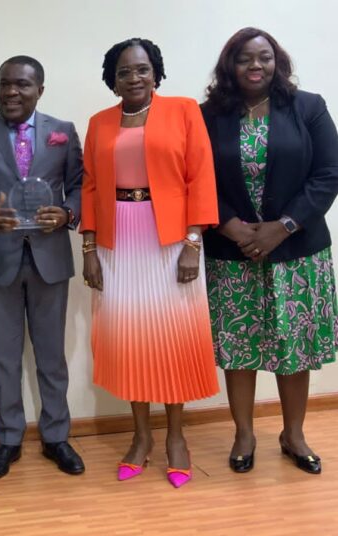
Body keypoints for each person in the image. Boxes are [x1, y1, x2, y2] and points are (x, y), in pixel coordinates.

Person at [81, 38, 219, 488]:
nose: (134, 78)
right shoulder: (99, 123)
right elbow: (90, 189)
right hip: (117, 242)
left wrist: (193, 243)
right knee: (128, 340)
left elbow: (200, 175)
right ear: (112, 79)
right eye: (124, 72)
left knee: (173, 340)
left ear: (156, 73)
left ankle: (176, 438)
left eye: (142, 69)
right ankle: (141, 438)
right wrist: (89, 250)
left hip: (171, 240)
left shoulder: (183, 111)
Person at [202, 27, 338, 475]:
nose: (255, 66)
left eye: (264, 57)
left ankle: (293, 434)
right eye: (244, 58)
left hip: (298, 252)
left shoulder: (308, 108)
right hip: (232, 250)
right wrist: (233, 227)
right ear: (230, 65)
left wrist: (281, 228)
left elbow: (328, 174)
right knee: (239, 346)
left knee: (292, 345)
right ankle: (244, 432)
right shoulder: (208, 116)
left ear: (277, 62)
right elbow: (196, 179)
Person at [0, 55, 85, 480]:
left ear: (39, 90)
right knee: (4, 357)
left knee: (51, 357)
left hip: (49, 258)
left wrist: (68, 214)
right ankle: (8, 439)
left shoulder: (63, 132)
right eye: (5, 84)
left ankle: (56, 436)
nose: (11, 92)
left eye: (22, 85)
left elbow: (82, 185)